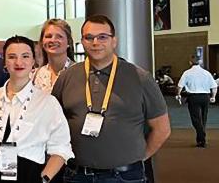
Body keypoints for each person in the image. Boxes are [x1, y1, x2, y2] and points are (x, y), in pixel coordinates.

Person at [51, 15, 170, 183]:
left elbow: (162, 129)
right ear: (82, 42)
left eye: (102, 37)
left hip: (125, 176)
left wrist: (138, 158)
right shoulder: (67, 77)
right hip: (76, 175)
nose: (95, 42)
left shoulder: (140, 78)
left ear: (114, 41)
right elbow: (53, 124)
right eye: (89, 37)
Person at [0, 36, 72, 183]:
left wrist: (44, 179)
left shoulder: (48, 103)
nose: (19, 62)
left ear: (34, 61)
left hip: (30, 174)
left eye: (25, 56)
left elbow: (61, 149)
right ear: (4, 62)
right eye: (12, 57)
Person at [176, 56, 218, 148]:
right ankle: (200, 139)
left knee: (195, 119)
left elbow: (180, 86)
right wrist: (213, 96)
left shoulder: (187, 73)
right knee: (203, 118)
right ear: (200, 62)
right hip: (205, 97)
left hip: (193, 97)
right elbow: (214, 86)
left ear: (190, 62)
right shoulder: (206, 73)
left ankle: (202, 137)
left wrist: (178, 94)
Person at [34, 19, 76, 93]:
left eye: (59, 36)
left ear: (68, 42)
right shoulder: (36, 75)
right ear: (42, 42)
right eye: (48, 36)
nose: (53, 40)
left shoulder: (79, 73)